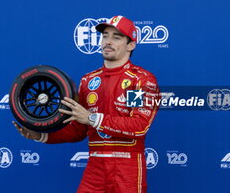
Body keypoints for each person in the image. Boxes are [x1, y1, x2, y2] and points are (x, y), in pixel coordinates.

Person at [13, 15, 159, 193]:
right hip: (95, 167)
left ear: (131, 45)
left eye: (116, 37)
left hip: (126, 167)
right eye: (105, 35)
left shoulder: (139, 80)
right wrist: (41, 135)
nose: (108, 41)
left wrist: (92, 118)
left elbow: (138, 125)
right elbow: (77, 130)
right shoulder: (89, 81)